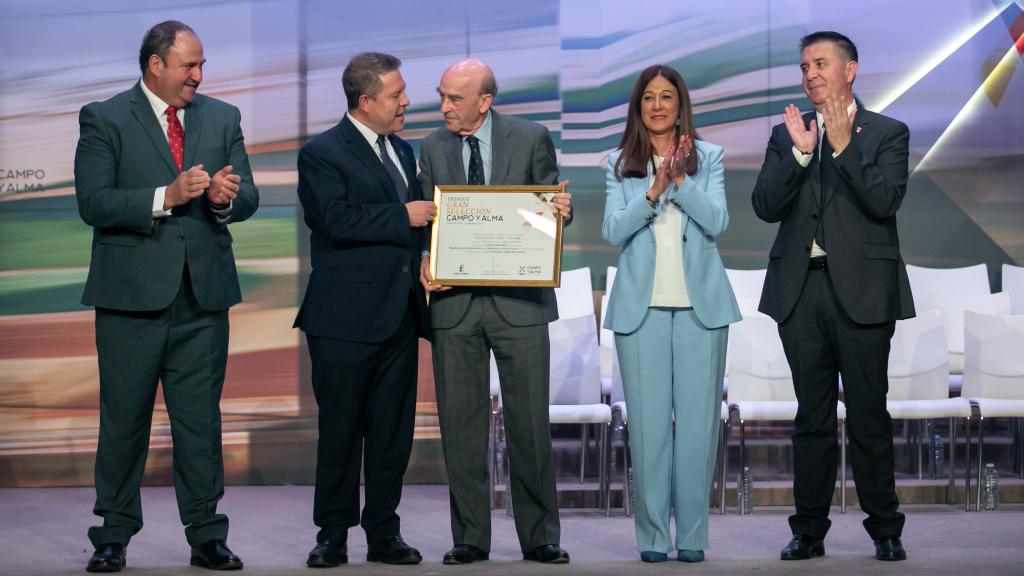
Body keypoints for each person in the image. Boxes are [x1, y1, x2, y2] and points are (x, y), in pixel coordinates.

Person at [74, 20, 258, 572]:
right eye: (189, 66)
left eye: (201, 66)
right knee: (124, 420)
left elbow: (246, 194)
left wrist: (226, 199)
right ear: (156, 65)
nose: (198, 76)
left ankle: (206, 535)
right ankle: (113, 534)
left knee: (200, 421)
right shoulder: (104, 118)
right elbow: (94, 202)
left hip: (202, 300)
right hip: (130, 300)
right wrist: (166, 196)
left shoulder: (222, 117)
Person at [751, 31, 913, 562]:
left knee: (869, 416)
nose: (810, 74)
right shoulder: (787, 135)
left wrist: (842, 148)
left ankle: (886, 528)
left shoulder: (888, 132)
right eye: (804, 67)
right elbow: (765, 206)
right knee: (811, 419)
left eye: (820, 63)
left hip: (864, 292)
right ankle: (808, 531)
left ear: (851, 70)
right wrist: (800, 155)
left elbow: (885, 201)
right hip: (801, 292)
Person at [417, 58, 573, 565]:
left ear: (485, 101)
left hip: (519, 304)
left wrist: (559, 213)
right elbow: (426, 223)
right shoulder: (432, 147)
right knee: (461, 430)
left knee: (529, 426)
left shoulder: (530, 138)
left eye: (454, 98)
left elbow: (547, 206)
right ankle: (470, 538)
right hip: (455, 306)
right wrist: (424, 258)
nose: (443, 107)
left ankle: (540, 537)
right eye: (441, 95)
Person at [294, 52, 433, 568]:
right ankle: (332, 533)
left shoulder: (402, 149)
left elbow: (418, 229)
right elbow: (334, 219)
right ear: (366, 100)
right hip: (344, 321)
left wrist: (425, 256)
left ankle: (383, 532)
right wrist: (402, 215)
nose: (406, 102)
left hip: (399, 315)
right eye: (397, 95)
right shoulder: (322, 153)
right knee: (341, 432)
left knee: (392, 433)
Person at [602, 64, 740, 564]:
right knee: (649, 431)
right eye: (648, 99)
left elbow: (718, 221)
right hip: (642, 312)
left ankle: (693, 538)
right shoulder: (618, 163)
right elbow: (614, 230)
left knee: (700, 430)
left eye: (667, 97)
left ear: (681, 104)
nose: (658, 106)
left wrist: (680, 180)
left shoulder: (710, 158)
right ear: (638, 108)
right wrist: (654, 190)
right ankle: (654, 539)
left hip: (701, 309)